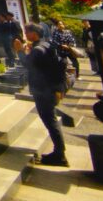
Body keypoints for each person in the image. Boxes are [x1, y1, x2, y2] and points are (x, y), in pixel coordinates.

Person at [24, 23, 68, 166]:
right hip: (51, 87)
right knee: (51, 119)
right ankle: (59, 151)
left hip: (43, 89)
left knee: (50, 120)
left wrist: (19, 51)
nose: (25, 34)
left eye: (27, 32)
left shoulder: (38, 49)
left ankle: (59, 154)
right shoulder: (48, 45)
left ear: (34, 33)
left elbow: (28, 64)